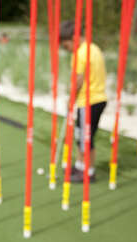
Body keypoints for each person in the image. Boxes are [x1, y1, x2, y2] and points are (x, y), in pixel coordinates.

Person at [59, 20, 107, 183]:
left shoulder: (80, 53)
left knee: (85, 138)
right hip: (98, 99)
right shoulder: (94, 48)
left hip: (88, 100)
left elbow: (78, 80)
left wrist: (70, 99)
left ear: (74, 38)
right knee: (82, 136)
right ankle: (80, 166)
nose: (68, 50)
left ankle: (88, 171)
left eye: (66, 46)